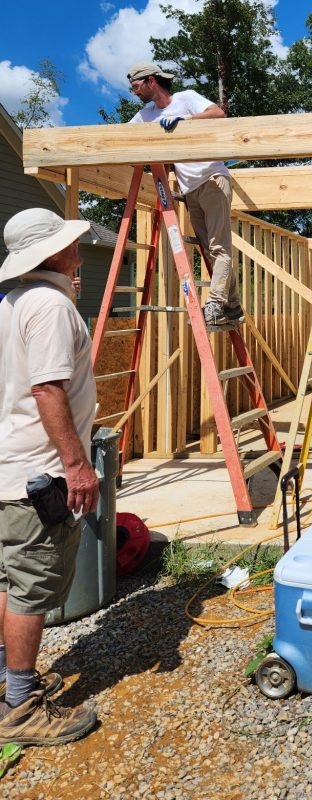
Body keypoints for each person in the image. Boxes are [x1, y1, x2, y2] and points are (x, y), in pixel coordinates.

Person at [0, 208, 100, 745]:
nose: (78, 241)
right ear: (54, 252)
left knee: (11, 581)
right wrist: (77, 464)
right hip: (40, 478)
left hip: (11, 471)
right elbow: (46, 390)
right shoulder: (49, 306)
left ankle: (6, 681)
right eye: (70, 239)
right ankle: (18, 707)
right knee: (33, 589)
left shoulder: (15, 302)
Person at [126, 62, 243, 330]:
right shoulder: (147, 115)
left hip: (212, 177)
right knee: (210, 250)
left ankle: (215, 303)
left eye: (136, 87)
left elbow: (218, 113)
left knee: (218, 247)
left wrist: (187, 120)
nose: (135, 93)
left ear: (151, 81)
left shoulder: (185, 98)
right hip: (189, 189)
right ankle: (233, 307)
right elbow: (122, 134)